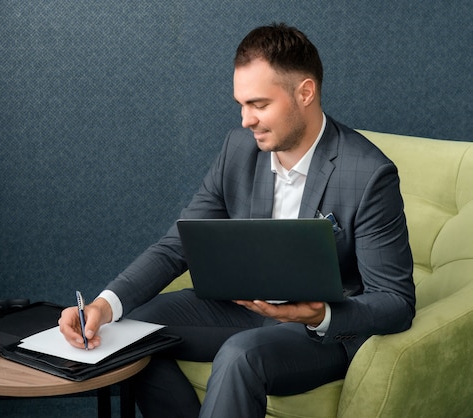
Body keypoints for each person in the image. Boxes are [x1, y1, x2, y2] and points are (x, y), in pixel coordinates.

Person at [59, 23, 415, 417]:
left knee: (240, 356)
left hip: (319, 332)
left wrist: (321, 315)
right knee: (130, 336)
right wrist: (105, 306)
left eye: (259, 105)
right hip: (242, 306)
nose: (246, 120)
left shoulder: (369, 174)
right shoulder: (238, 150)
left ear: (305, 93)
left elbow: (396, 301)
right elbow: (177, 244)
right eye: (241, 104)